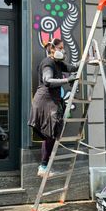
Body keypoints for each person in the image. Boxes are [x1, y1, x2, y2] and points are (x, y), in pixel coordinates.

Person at [28, 38, 79, 176]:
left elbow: (72, 67)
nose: (63, 50)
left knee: (50, 135)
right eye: (60, 47)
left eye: (63, 47)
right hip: (45, 101)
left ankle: (44, 167)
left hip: (52, 101)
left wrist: (86, 59)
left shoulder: (58, 63)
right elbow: (48, 81)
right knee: (50, 134)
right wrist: (67, 80)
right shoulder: (48, 63)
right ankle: (43, 167)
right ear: (52, 49)